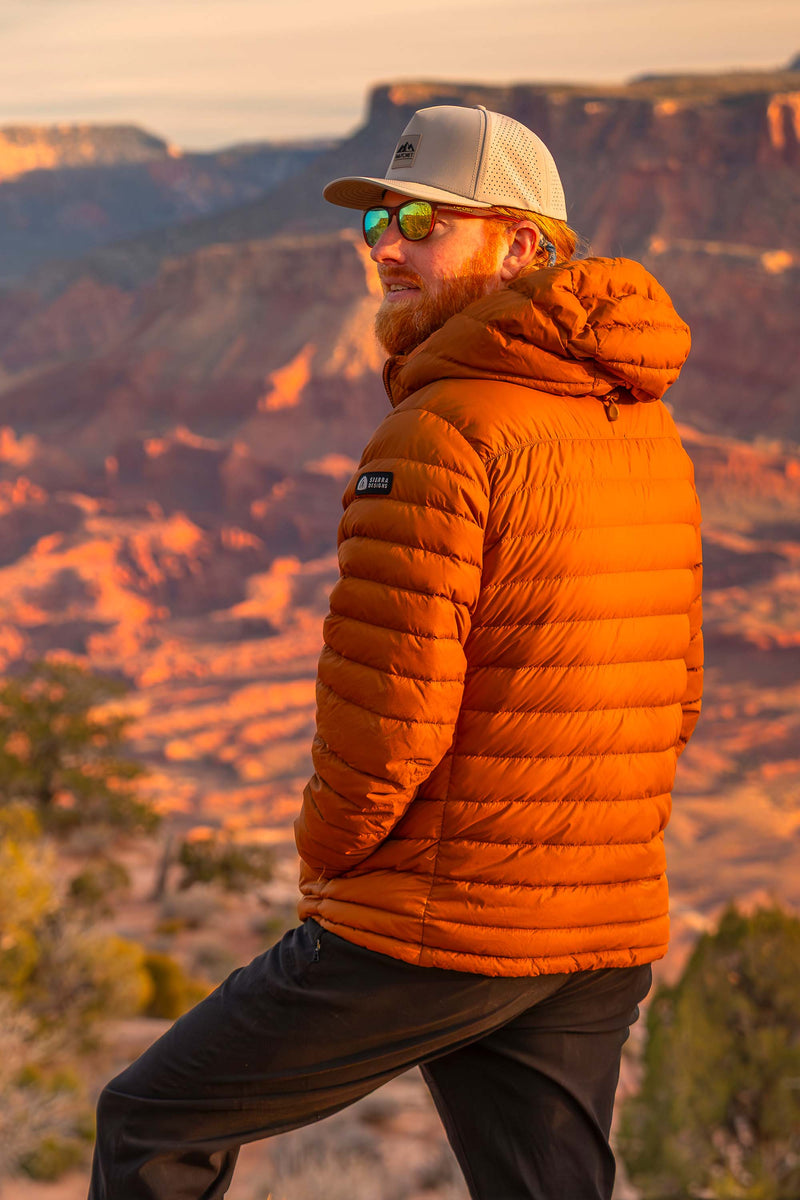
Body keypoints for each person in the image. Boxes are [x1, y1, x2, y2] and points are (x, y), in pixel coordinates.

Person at [89, 105, 702, 1200]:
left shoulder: (443, 431)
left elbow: (387, 719)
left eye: (422, 218)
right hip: (600, 923)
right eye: (379, 216)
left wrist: (327, 858)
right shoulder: (639, 424)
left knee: (150, 1124)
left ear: (519, 245)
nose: (384, 243)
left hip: (442, 918)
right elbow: (677, 689)